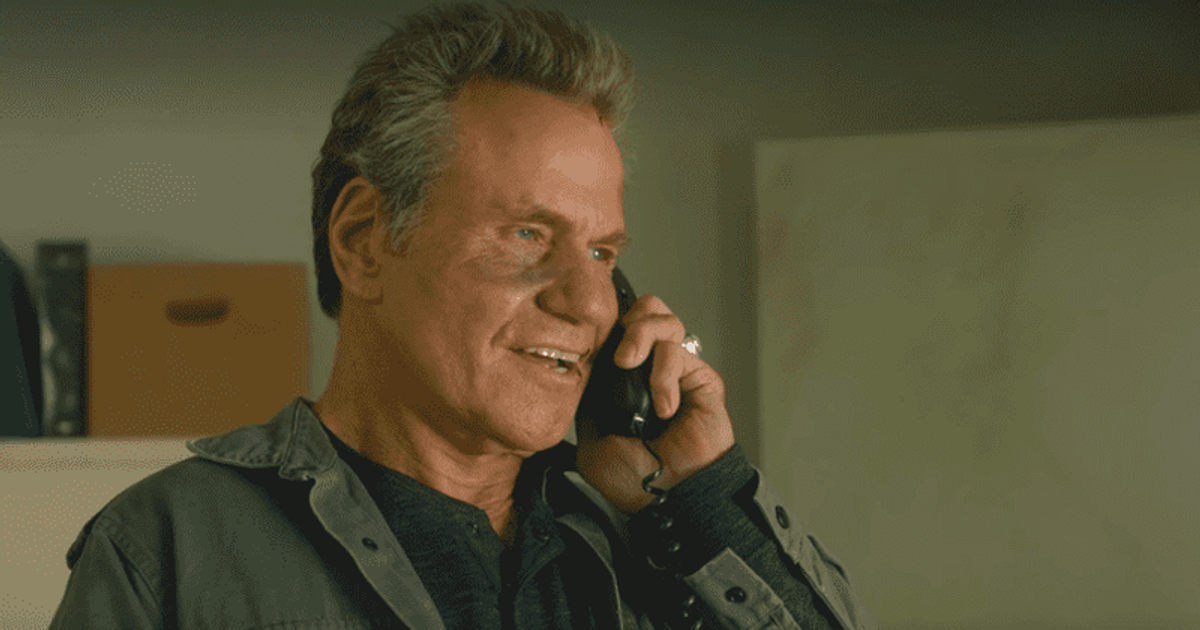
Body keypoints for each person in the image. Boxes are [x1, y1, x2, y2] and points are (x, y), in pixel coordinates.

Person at [50, 4, 876, 629]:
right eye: (528, 235)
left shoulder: (656, 543)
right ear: (364, 241)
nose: (590, 304)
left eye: (602, 253)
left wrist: (703, 493)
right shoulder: (166, 551)